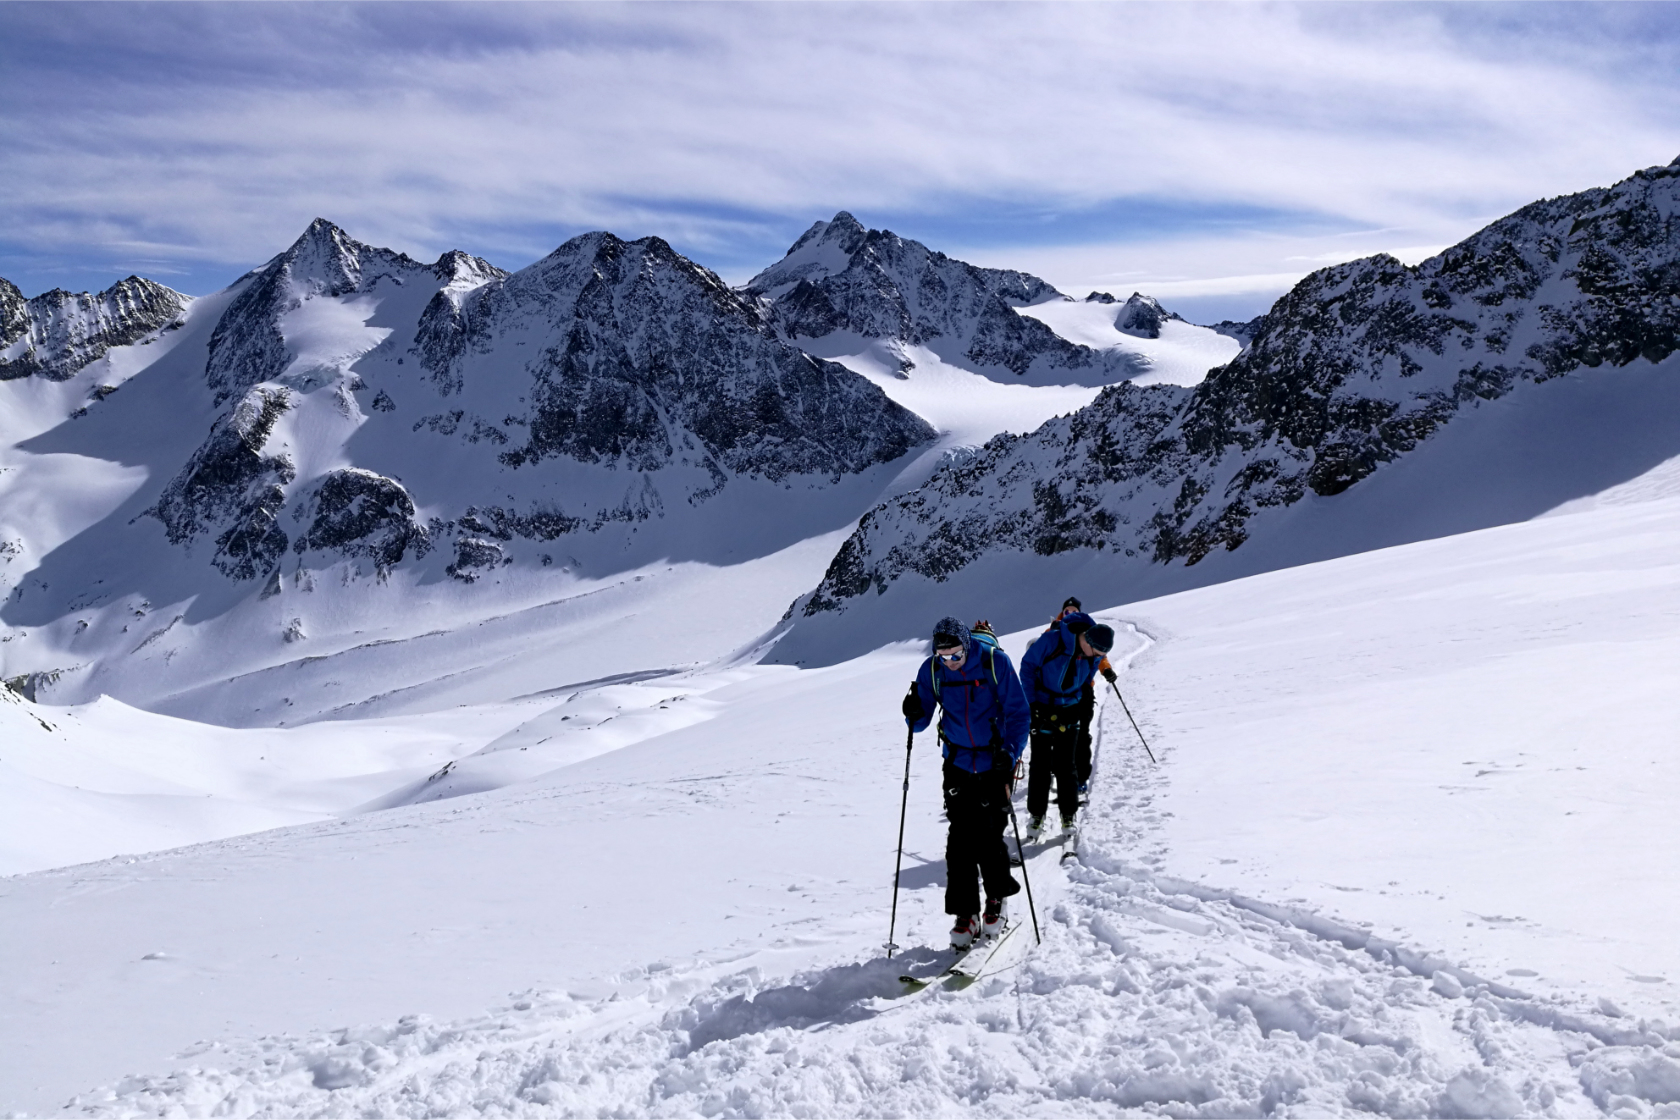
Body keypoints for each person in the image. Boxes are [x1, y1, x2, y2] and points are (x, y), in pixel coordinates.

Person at [901, 617, 1031, 949]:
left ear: (966, 645)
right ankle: (965, 913)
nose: (951, 662)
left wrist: (1011, 753)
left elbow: (1018, 712)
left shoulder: (993, 661)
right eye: (944, 656)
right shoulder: (932, 671)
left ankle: (996, 901)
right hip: (957, 761)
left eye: (956, 654)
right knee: (959, 840)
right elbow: (921, 721)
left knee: (989, 834)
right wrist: (913, 712)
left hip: (994, 761)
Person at [1020, 607, 1115, 838]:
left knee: (1066, 765)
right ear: (1087, 639)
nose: (1096, 657)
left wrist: (1080, 703)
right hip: (1041, 706)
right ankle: (1036, 815)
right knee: (1041, 764)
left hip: (1070, 708)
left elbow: (1085, 680)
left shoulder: (1095, 654)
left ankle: (1068, 813)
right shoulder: (1052, 640)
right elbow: (1027, 667)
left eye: (1101, 655)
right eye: (1096, 652)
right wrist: (1031, 704)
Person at [1049, 597, 1118, 794]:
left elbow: (1099, 655)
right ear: (1063, 612)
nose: (1070, 614)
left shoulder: (1088, 631)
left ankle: (1080, 776)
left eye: (1073, 610)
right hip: (1058, 693)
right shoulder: (1054, 631)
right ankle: (1060, 771)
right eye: (1067, 611)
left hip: (1084, 690)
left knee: (1080, 734)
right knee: (1057, 734)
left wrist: (1106, 671)